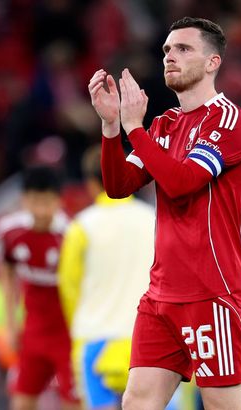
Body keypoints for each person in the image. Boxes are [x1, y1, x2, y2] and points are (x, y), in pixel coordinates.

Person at [88, 16, 241, 410]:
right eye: (166, 50)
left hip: (210, 291)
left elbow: (181, 184)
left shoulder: (228, 122)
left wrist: (135, 128)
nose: (170, 57)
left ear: (213, 62)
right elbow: (119, 186)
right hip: (161, 295)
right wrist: (112, 126)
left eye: (183, 49)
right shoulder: (165, 125)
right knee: (137, 402)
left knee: (221, 405)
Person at [57, 145, 156, 409]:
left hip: (95, 339)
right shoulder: (154, 220)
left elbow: (68, 287)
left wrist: (78, 327)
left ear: (90, 184)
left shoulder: (81, 226)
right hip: (149, 342)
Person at [0, 166, 79, 410]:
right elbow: (6, 272)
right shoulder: (10, 232)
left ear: (58, 201)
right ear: (23, 200)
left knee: (73, 403)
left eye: (46, 203)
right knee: (21, 401)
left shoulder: (71, 234)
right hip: (32, 333)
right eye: (34, 202)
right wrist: (10, 324)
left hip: (68, 335)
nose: (41, 210)